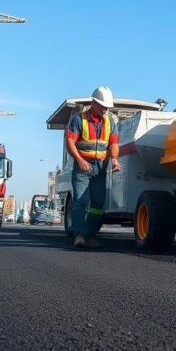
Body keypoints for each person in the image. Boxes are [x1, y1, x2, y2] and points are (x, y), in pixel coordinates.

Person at [64, 86, 121, 249]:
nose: (105, 109)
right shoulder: (78, 119)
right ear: (93, 103)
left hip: (101, 167)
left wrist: (115, 159)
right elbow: (70, 142)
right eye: (102, 106)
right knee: (81, 201)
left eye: (107, 107)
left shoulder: (111, 121)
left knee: (98, 202)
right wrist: (79, 160)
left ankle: (90, 234)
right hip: (83, 165)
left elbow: (114, 143)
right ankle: (79, 235)